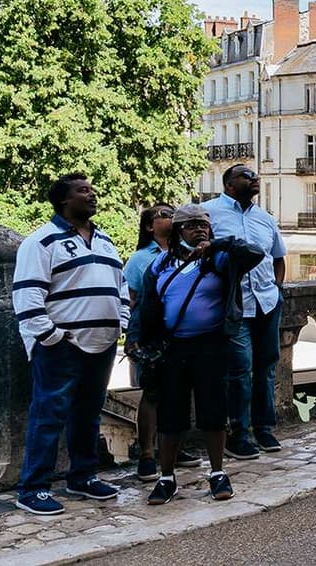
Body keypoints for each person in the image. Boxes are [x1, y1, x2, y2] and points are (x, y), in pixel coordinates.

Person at [135, 204, 268, 505]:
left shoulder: (219, 260)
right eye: (192, 224)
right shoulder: (159, 265)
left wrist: (217, 244)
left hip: (211, 344)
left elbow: (255, 252)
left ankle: (218, 473)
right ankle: (166, 477)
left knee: (213, 411)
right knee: (171, 413)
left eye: (204, 224)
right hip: (172, 347)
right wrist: (138, 342)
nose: (199, 229)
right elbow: (145, 306)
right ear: (177, 230)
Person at [12, 174, 128, 516]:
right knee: (48, 415)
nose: (92, 195)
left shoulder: (106, 241)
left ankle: (83, 476)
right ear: (63, 200)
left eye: (93, 189)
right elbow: (28, 293)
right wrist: (50, 336)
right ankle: (32, 488)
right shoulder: (42, 242)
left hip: (102, 344)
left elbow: (120, 288)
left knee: (88, 415)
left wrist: (121, 321)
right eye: (82, 191)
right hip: (63, 346)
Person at [204, 164, 289, 460]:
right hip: (233, 303)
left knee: (267, 365)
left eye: (254, 175)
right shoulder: (209, 212)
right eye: (245, 175)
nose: (253, 178)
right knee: (240, 368)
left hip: (266, 300)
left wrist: (277, 289)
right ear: (228, 184)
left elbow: (278, 257)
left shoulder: (265, 218)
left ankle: (263, 427)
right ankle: (238, 433)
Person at [123, 204, 201, 480]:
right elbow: (132, 299)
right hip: (152, 331)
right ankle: (146, 454)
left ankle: (174, 449)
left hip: (181, 331)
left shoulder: (191, 252)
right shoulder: (140, 259)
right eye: (164, 215)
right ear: (149, 226)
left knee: (180, 390)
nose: (171, 217)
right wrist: (135, 337)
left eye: (173, 213)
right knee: (152, 391)